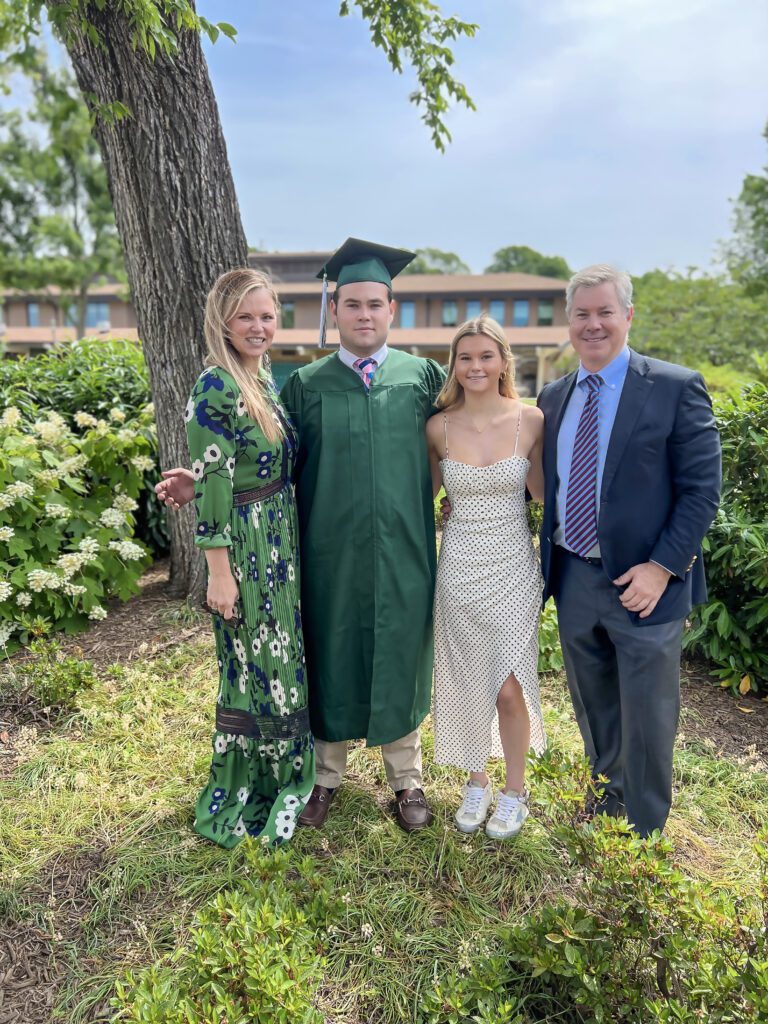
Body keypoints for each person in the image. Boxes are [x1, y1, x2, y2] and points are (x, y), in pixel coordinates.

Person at [159, 240, 445, 833]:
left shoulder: (422, 377)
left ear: (391, 309)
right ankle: (326, 775)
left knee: (401, 652)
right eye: (351, 304)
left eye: (375, 304)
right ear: (332, 310)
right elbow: (272, 460)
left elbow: (460, 440)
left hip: (404, 548)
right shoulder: (304, 384)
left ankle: (407, 778)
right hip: (324, 550)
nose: (364, 314)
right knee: (327, 650)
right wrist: (204, 478)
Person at [538, 264, 721, 837]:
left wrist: (662, 568)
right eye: (582, 314)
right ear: (569, 321)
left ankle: (644, 831)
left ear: (628, 316)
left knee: (647, 714)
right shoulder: (553, 397)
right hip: (574, 577)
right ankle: (606, 804)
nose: (593, 324)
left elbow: (701, 491)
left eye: (605, 312)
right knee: (594, 706)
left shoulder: (673, 387)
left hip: (645, 584)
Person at [184, 268, 315, 849]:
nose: (259, 326)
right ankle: (257, 781)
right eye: (246, 317)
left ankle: (282, 772)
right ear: (223, 322)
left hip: (278, 537)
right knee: (256, 662)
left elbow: (234, 461)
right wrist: (220, 573)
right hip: (246, 545)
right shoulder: (215, 384)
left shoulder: (261, 379)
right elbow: (214, 481)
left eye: (267, 315)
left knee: (276, 659)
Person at [427, 315, 547, 839]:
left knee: (509, 686)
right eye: (465, 357)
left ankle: (515, 791)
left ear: (502, 363)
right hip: (457, 568)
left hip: (514, 567)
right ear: (454, 365)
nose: (475, 366)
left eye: (485, 356)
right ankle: (476, 781)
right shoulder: (438, 427)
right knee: (469, 678)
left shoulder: (531, 420)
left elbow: (546, 494)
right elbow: (422, 496)